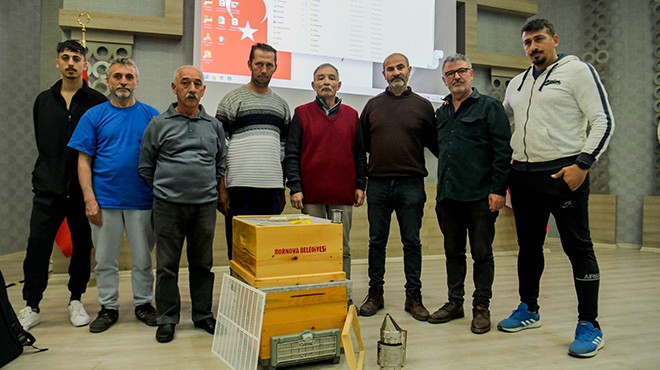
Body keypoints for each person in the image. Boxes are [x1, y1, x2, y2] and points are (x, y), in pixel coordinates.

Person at [497, 19, 614, 358]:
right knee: (529, 247)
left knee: (578, 248)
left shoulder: (577, 71)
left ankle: (590, 324)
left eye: (539, 39)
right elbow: (501, 121)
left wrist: (583, 164)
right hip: (524, 176)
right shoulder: (517, 84)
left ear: (554, 40)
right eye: (527, 43)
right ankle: (528, 309)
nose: (533, 47)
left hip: (565, 173)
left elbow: (603, 120)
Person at [18, 40, 107, 331]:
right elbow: (42, 142)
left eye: (76, 58)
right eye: (65, 58)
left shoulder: (96, 102)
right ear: (57, 62)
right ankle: (31, 305)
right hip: (47, 190)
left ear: (84, 64)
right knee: (37, 248)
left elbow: (98, 148)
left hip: (81, 192)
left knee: (82, 247)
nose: (71, 63)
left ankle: (76, 299)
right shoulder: (43, 100)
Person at [68, 57, 159, 333]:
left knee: (143, 260)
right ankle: (108, 307)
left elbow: (162, 158)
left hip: (143, 201)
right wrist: (89, 199)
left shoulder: (152, 116)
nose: (123, 82)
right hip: (104, 202)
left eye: (129, 77)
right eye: (117, 76)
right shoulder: (94, 116)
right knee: (105, 260)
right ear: (108, 81)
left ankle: (143, 304)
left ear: (136, 82)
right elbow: (83, 160)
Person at [139, 65, 226, 343]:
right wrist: (168, 190)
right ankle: (166, 318)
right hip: (168, 207)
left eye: (197, 84)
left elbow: (220, 162)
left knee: (203, 264)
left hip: (204, 207)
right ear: (174, 88)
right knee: (166, 266)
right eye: (185, 83)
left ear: (203, 90)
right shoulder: (158, 124)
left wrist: (209, 189)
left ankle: (202, 315)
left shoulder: (214, 126)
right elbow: (145, 166)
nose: (191, 88)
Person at [429, 54, 512, 334]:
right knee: (453, 253)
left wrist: (498, 190)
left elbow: (503, 152)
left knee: (481, 254)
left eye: (461, 71)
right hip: (448, 197)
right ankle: (455, 303)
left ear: (471, 74)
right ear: (444, 79)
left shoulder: (489, 107)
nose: (456, 77)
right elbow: (440, 147)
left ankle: (481, 307)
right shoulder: (441, 113)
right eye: (450, 73)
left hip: (480, 197)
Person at [358, 53, 439, 321]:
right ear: (384, 74)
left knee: (412, 242)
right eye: (390, 69)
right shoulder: (372, 106)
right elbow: (364, 147)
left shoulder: (424, 106)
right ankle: (375, 294)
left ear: (409, 70)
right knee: (376, 242)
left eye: (400, 67)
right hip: (378, 184)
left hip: (411, 185)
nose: (395, 72)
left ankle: (413, 297)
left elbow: (435, 145)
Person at [284, 63, 367, 280]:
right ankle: (317, 293)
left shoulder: (352, 115)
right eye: (321, 78)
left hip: (342, 194)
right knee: (313, 248)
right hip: (311, 196)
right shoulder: (301, 114)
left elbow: (359, 154)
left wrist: (360, 185)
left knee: (342, 248)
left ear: (339, 85)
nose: (326, 82)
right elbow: (292, 153)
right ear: (313, 85)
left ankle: (343, 293)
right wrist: (295, 186)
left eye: (331, 78)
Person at [215, 43, 290, 261]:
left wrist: (282, 188)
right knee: (239, 249)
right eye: (259, 64)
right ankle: (239, 295)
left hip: (272, 189)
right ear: (249, 64)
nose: (264, 69)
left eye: (269, 65)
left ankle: (264, 294)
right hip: (239, 188)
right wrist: (222, 187)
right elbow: (219, 148)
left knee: (269, 252)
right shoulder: (231, 100)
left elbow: (284, 151)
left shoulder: (282, 106)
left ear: (275, 67)